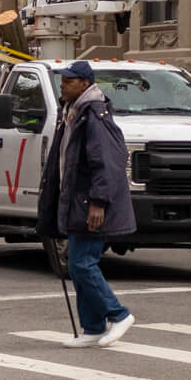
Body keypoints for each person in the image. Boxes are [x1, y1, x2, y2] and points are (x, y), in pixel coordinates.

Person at [37, 59, 137, 347]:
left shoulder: (94, 114)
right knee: (80, 263)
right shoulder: (72, 110)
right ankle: (93, 327)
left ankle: (119, 314)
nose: (63, 85)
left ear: (84, 84)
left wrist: (98, 202)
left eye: (68, 81)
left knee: (82, 264)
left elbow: (104, 162)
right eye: (62, 80)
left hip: (89, 202)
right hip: (76, 200)